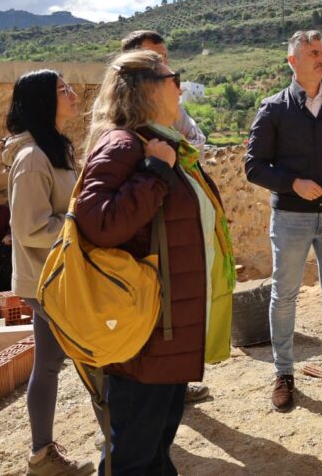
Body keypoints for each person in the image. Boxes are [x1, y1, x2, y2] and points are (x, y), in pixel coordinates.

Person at [74, 49, 234, 475]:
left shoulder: (154, 141)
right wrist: (154, 172)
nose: (180, 85)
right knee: (134, 456)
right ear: (145, 87)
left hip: (166, 330)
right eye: (172, 76)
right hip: (143, 334)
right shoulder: (124, 144)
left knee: (157, 446)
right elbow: (99, 223)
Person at [245, 30, 322, 412]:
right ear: (292, 62)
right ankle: (284, 373)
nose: (321, 58)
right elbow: (253, 166)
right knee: (284, 296)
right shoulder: (272, 109)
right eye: (312, 52)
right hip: (290, 218)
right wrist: (292, 183)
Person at [2, 70, 94, 476]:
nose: (73, 95)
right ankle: (122, 443)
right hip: (48, 280)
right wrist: (81, 223)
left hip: (55, 275)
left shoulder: (53, 149)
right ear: (43, 101)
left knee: (49, 363)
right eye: (63, 90)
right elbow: (30, 228)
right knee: (96, 357)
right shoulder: (32, 158)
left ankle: (42, 455)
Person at [120, 29, 211, 404]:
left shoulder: (175, 109)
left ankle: (173, 384)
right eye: (156, 61)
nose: (168, 69)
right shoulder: (120, 133)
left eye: (166, 58)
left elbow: (199, 142)